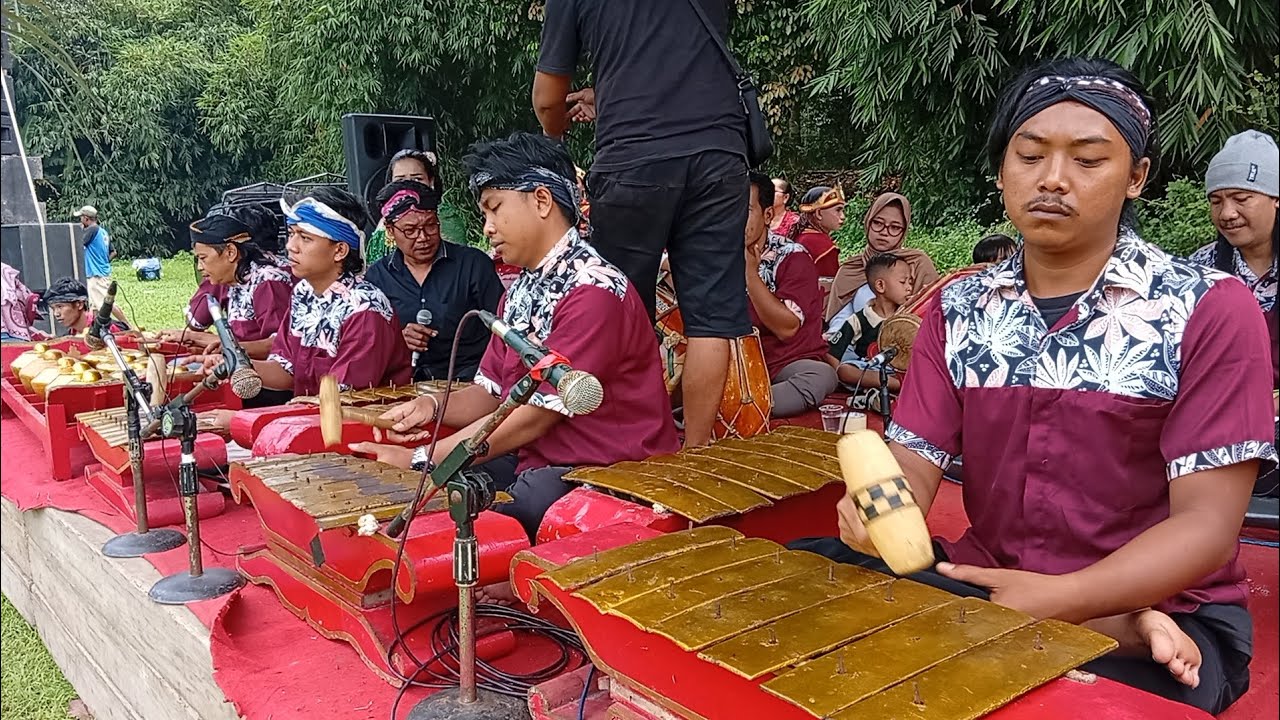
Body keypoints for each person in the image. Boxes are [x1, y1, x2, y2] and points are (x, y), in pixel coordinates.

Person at [793, 58, 1276, 716]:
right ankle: (1118, 629)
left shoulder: (1208, 308)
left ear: (1136, 177)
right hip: (989, 583)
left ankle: (1124, 624)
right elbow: (913, 463)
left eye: (1088, 159)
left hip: (1175, 606)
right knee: (805, 579)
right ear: (1002, 171)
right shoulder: (959, 309)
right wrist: (875, 511)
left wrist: (1062, 599)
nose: (1052, 178)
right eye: (1029, 155)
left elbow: (1207, 527)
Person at [352, 133, 679, 540]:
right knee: (436, 502)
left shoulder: (594, 290)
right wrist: (432, 407)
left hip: (606, 470)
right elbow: (491, 393)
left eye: (494, 208)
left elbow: (535, 417)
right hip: (540, 461)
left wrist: (422, 459)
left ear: (541, 201)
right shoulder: (519, 291)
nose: (487, 228)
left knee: (471, 524)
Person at [532, 0, 750, 448]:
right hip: (719, 155)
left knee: (619, 311)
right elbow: (675, 60)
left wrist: (555, 136)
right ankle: (695, 453)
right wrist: (610, 95)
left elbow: (548, 98)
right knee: (709, 319)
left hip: (633, 160)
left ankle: (636, 446)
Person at [207, 187, 410, 396]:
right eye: (292, 233)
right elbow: (286, 370)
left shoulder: (365, 310)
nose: (290, 246)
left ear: (340, 250)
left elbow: (340, 400)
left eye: (305, 238)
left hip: (353, 414)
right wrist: (235, 365)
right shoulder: (303, 293)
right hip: (313, 411)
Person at [364, 180, 504, 381]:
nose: (423, 237)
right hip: (405, 385)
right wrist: (397, 341)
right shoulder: (377, 277)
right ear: (390, 230)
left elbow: (503, 329)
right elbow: (370, 344)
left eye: (430, 225)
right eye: (410, 230)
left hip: (469, 380)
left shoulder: (473, 265)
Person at [1188, 130, 1278, 412]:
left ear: (1276, 199)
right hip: (1221, 415)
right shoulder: (1199, 270)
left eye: (1241, 198)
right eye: (1216, 201)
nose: (1227, 213)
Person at [743, 172, 837, 416]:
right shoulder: (713, 255)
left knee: (820, 376)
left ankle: (740, 410)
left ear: (767, 215)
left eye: (745, 210)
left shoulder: (793, 256)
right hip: (731, 361)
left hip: (783, 364)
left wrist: (750, 275)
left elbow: (787, 327)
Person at [182, 202, 292, 338]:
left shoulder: (268, 280)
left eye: (203, 258)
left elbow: (280, 344)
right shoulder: (236, 275)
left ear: (231, 252)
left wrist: (208, 340)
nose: (199, 267)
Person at [826, 253, 911, 394]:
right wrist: (838, 376)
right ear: (880, 285)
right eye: (903, 282)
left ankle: (878, 391)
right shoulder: (858, 320)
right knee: (845, 370)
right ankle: (894, 385)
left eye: (910, 282)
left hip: (901, 370)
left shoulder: (907, 316)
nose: (909, 288)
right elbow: (832, 353)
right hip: (870, 369)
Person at [365, 149, 441, 265]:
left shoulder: (447, 216)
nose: (408, 185)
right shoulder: (383, 226)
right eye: (400, 180)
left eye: (417, 179)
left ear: (431, 181)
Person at [73, 205, 128, 324]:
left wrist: (80, 230)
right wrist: (104, 262)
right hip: (100, 271)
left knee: (107, 303)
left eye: (81, 218)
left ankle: (128, 325)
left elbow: (78, 244)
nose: (80, 221)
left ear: (86, 218)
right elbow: (113, 252)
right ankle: (96, 329)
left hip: (96, 273)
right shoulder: (103, 232)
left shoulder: (91, 229)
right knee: (94, 306)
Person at [41, 278, 129, 336]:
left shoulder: (110, 329)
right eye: (53, 309)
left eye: (60, 306)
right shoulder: (69, 337)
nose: (56, 314)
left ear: (79, 304)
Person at [789, 186, 844, 276]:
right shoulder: (822, 245)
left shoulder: (801, 237)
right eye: (838, 210)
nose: (842, 216)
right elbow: (830, 282)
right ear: (819, 213)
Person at [1, 263, 44, 341]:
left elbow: (30, 299)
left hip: (14, 333)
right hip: (18, 332)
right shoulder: (6, 271)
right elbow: (29, 298)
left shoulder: (5, 271)